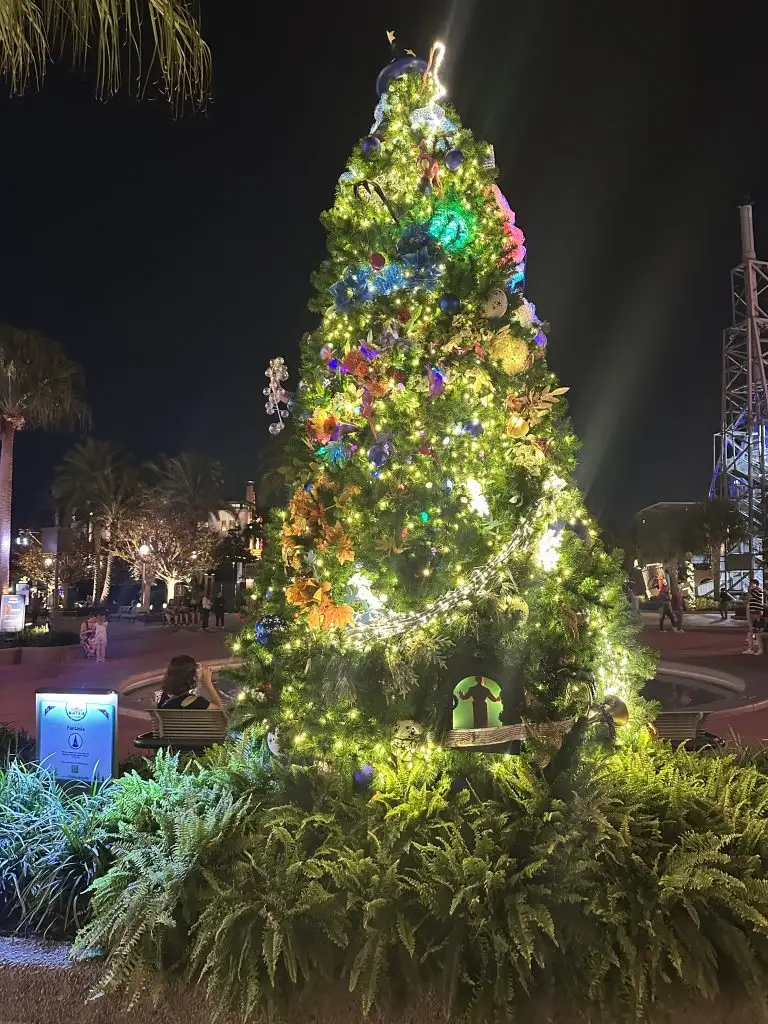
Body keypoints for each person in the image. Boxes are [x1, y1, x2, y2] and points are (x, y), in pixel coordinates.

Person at [157, 655, 223, 710]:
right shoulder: (195, 702)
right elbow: (219, 709)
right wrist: (208, 684)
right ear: (191, 678)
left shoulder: (164, 697)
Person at [745, 578, 765, 655]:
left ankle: (756, 639)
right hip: (753, 609)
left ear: (755, 584)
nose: (750, 585)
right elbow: (748, 599)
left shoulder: (758, 590)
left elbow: (749, 597)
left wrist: (750, 590)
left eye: (752, 584)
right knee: (752, 627)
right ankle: (752, 646)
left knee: (756, 625)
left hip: (756, 609)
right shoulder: (755, 591)